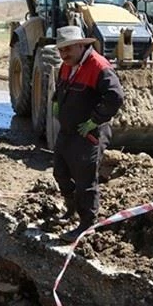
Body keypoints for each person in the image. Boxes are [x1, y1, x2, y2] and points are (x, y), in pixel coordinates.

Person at [52, 25, 123, 242]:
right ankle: (71, 210)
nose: (64, 54)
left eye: (68, 49)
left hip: (89, 134)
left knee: (85, 181)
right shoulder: (67, 65)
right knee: (60, 172)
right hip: (67, 131)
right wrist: (56, 103)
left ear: (82, 45)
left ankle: (86, 224)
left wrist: (95, 120)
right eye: (61, 50)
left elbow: (115, 97)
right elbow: (61, 87)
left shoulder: (99, 66)